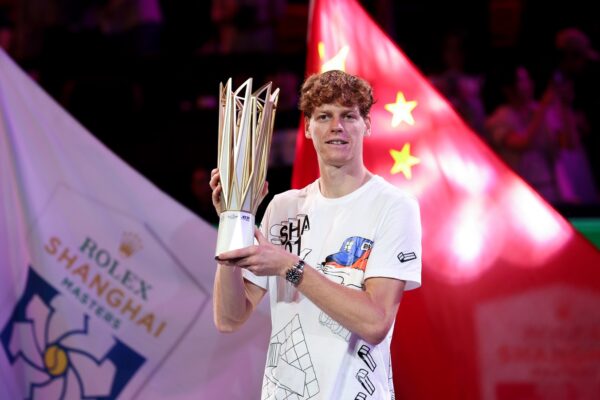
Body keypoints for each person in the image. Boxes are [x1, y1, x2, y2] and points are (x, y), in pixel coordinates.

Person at [209, 70, 422, 399]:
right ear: (307, 127)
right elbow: (229, 318)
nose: (336, 126)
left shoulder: (393, 207)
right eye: (324, 116)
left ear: (367, 124)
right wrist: (230, 222)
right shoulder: (283, 207)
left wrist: (289, 267)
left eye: (348, 115)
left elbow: (375, 322)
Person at [485, 63, 562, 204]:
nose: (529, 84)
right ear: (508, 88)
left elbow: (562, 146)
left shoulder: (537, 110)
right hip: (520, 192)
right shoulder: (499, 118)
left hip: (549, 188)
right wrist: (543, 108)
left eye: (528, 79)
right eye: (522, 80)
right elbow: (522, 143)